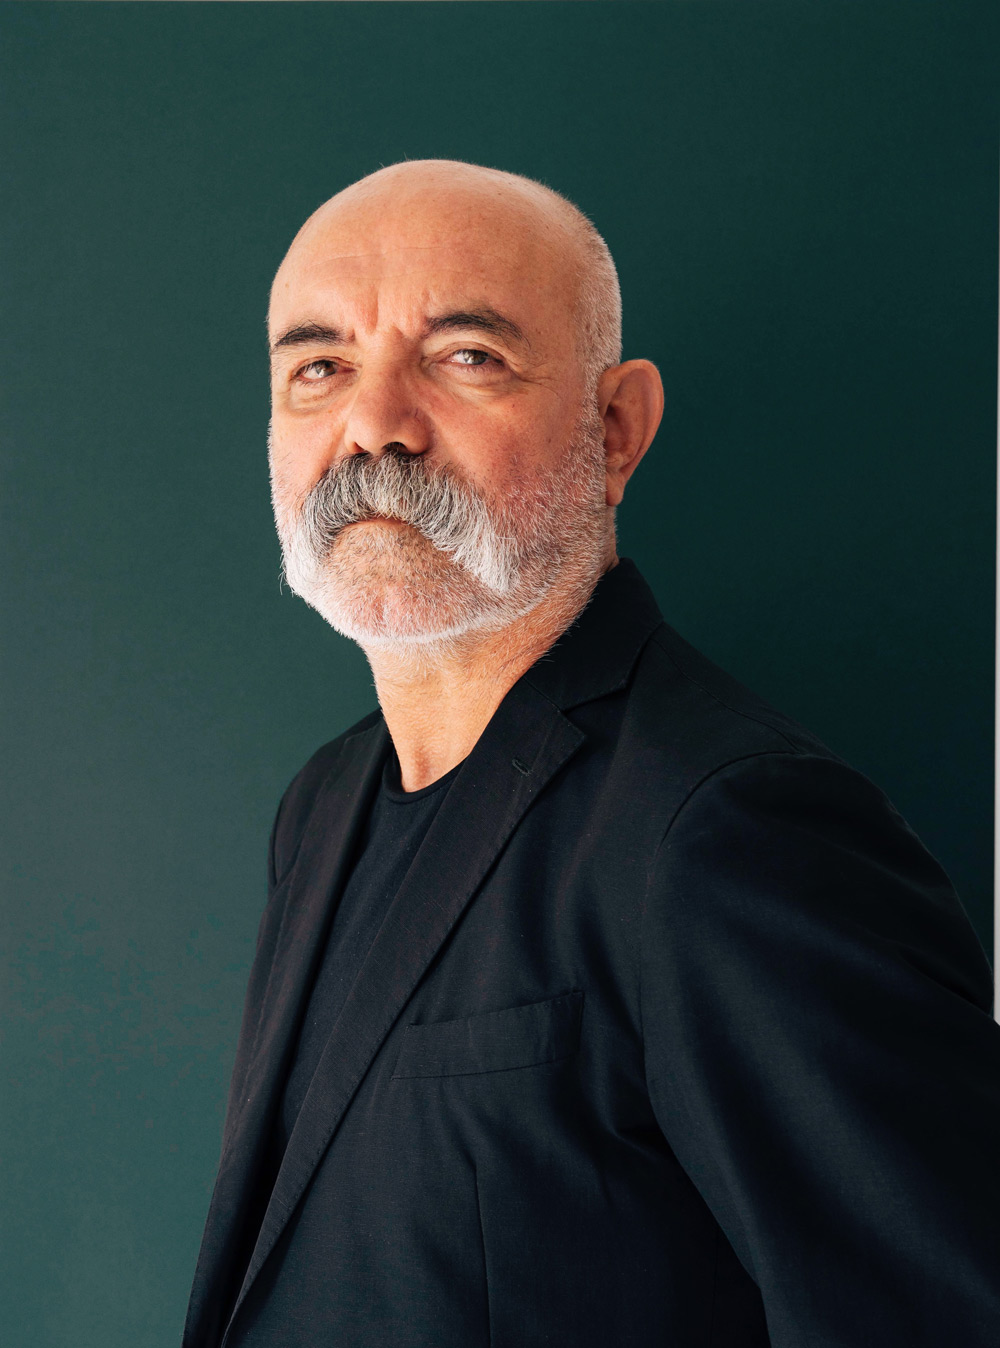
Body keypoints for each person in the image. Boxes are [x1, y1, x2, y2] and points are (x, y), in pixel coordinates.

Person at [183, 160, 1000, 1348]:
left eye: (466, 355)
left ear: (614, 430)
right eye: (319, 367)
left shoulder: (730, 828)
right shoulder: (321, 804)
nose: (374, 423)